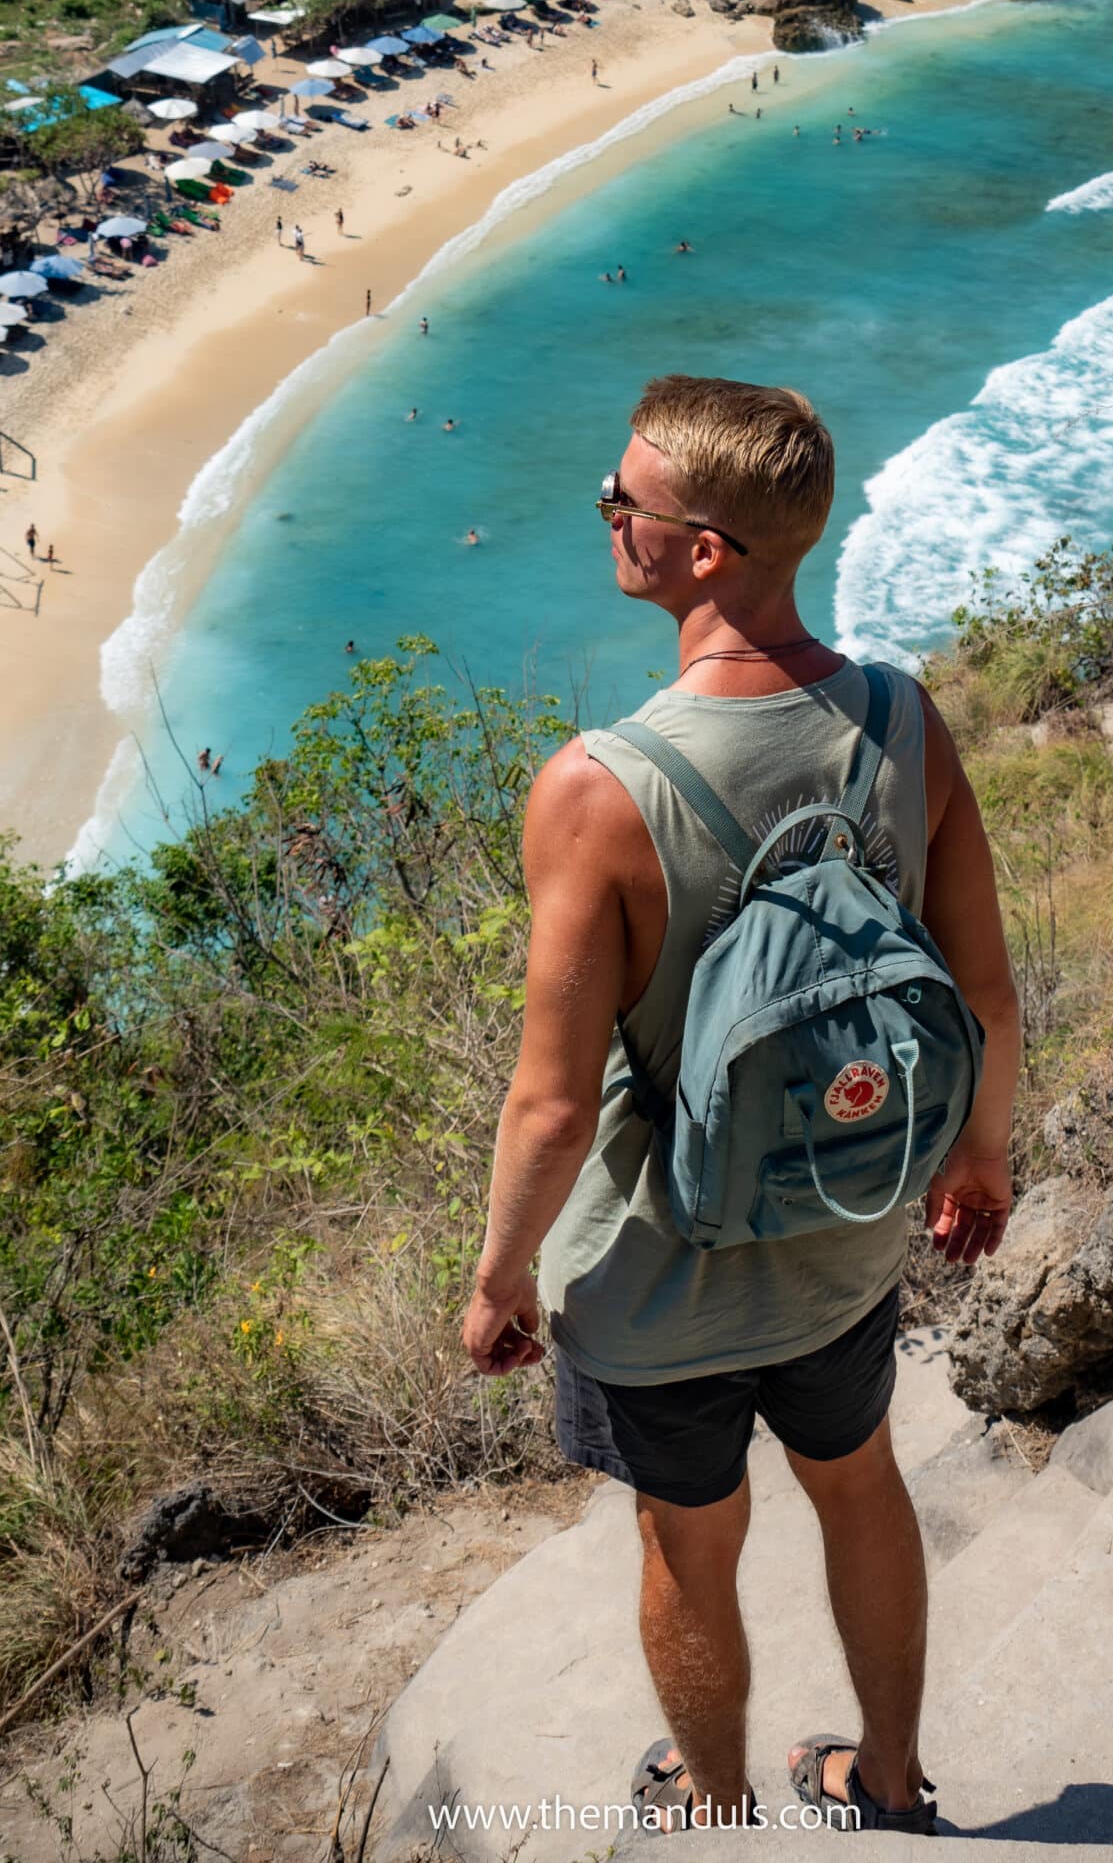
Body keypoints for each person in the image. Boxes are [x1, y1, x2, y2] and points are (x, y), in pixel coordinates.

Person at [461, 375, 1019, 1834]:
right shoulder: (901, 720)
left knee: (688, 1543)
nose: (607, 517)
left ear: (701, 549)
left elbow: (551, 1111)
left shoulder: (598, 788)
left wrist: (503, 1277)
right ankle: (888, 1782)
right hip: (844, 1222)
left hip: (665, 1279)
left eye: (620, 503)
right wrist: (980, 1158)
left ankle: (712, 1800)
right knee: (861, 1484)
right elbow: (989, 997)